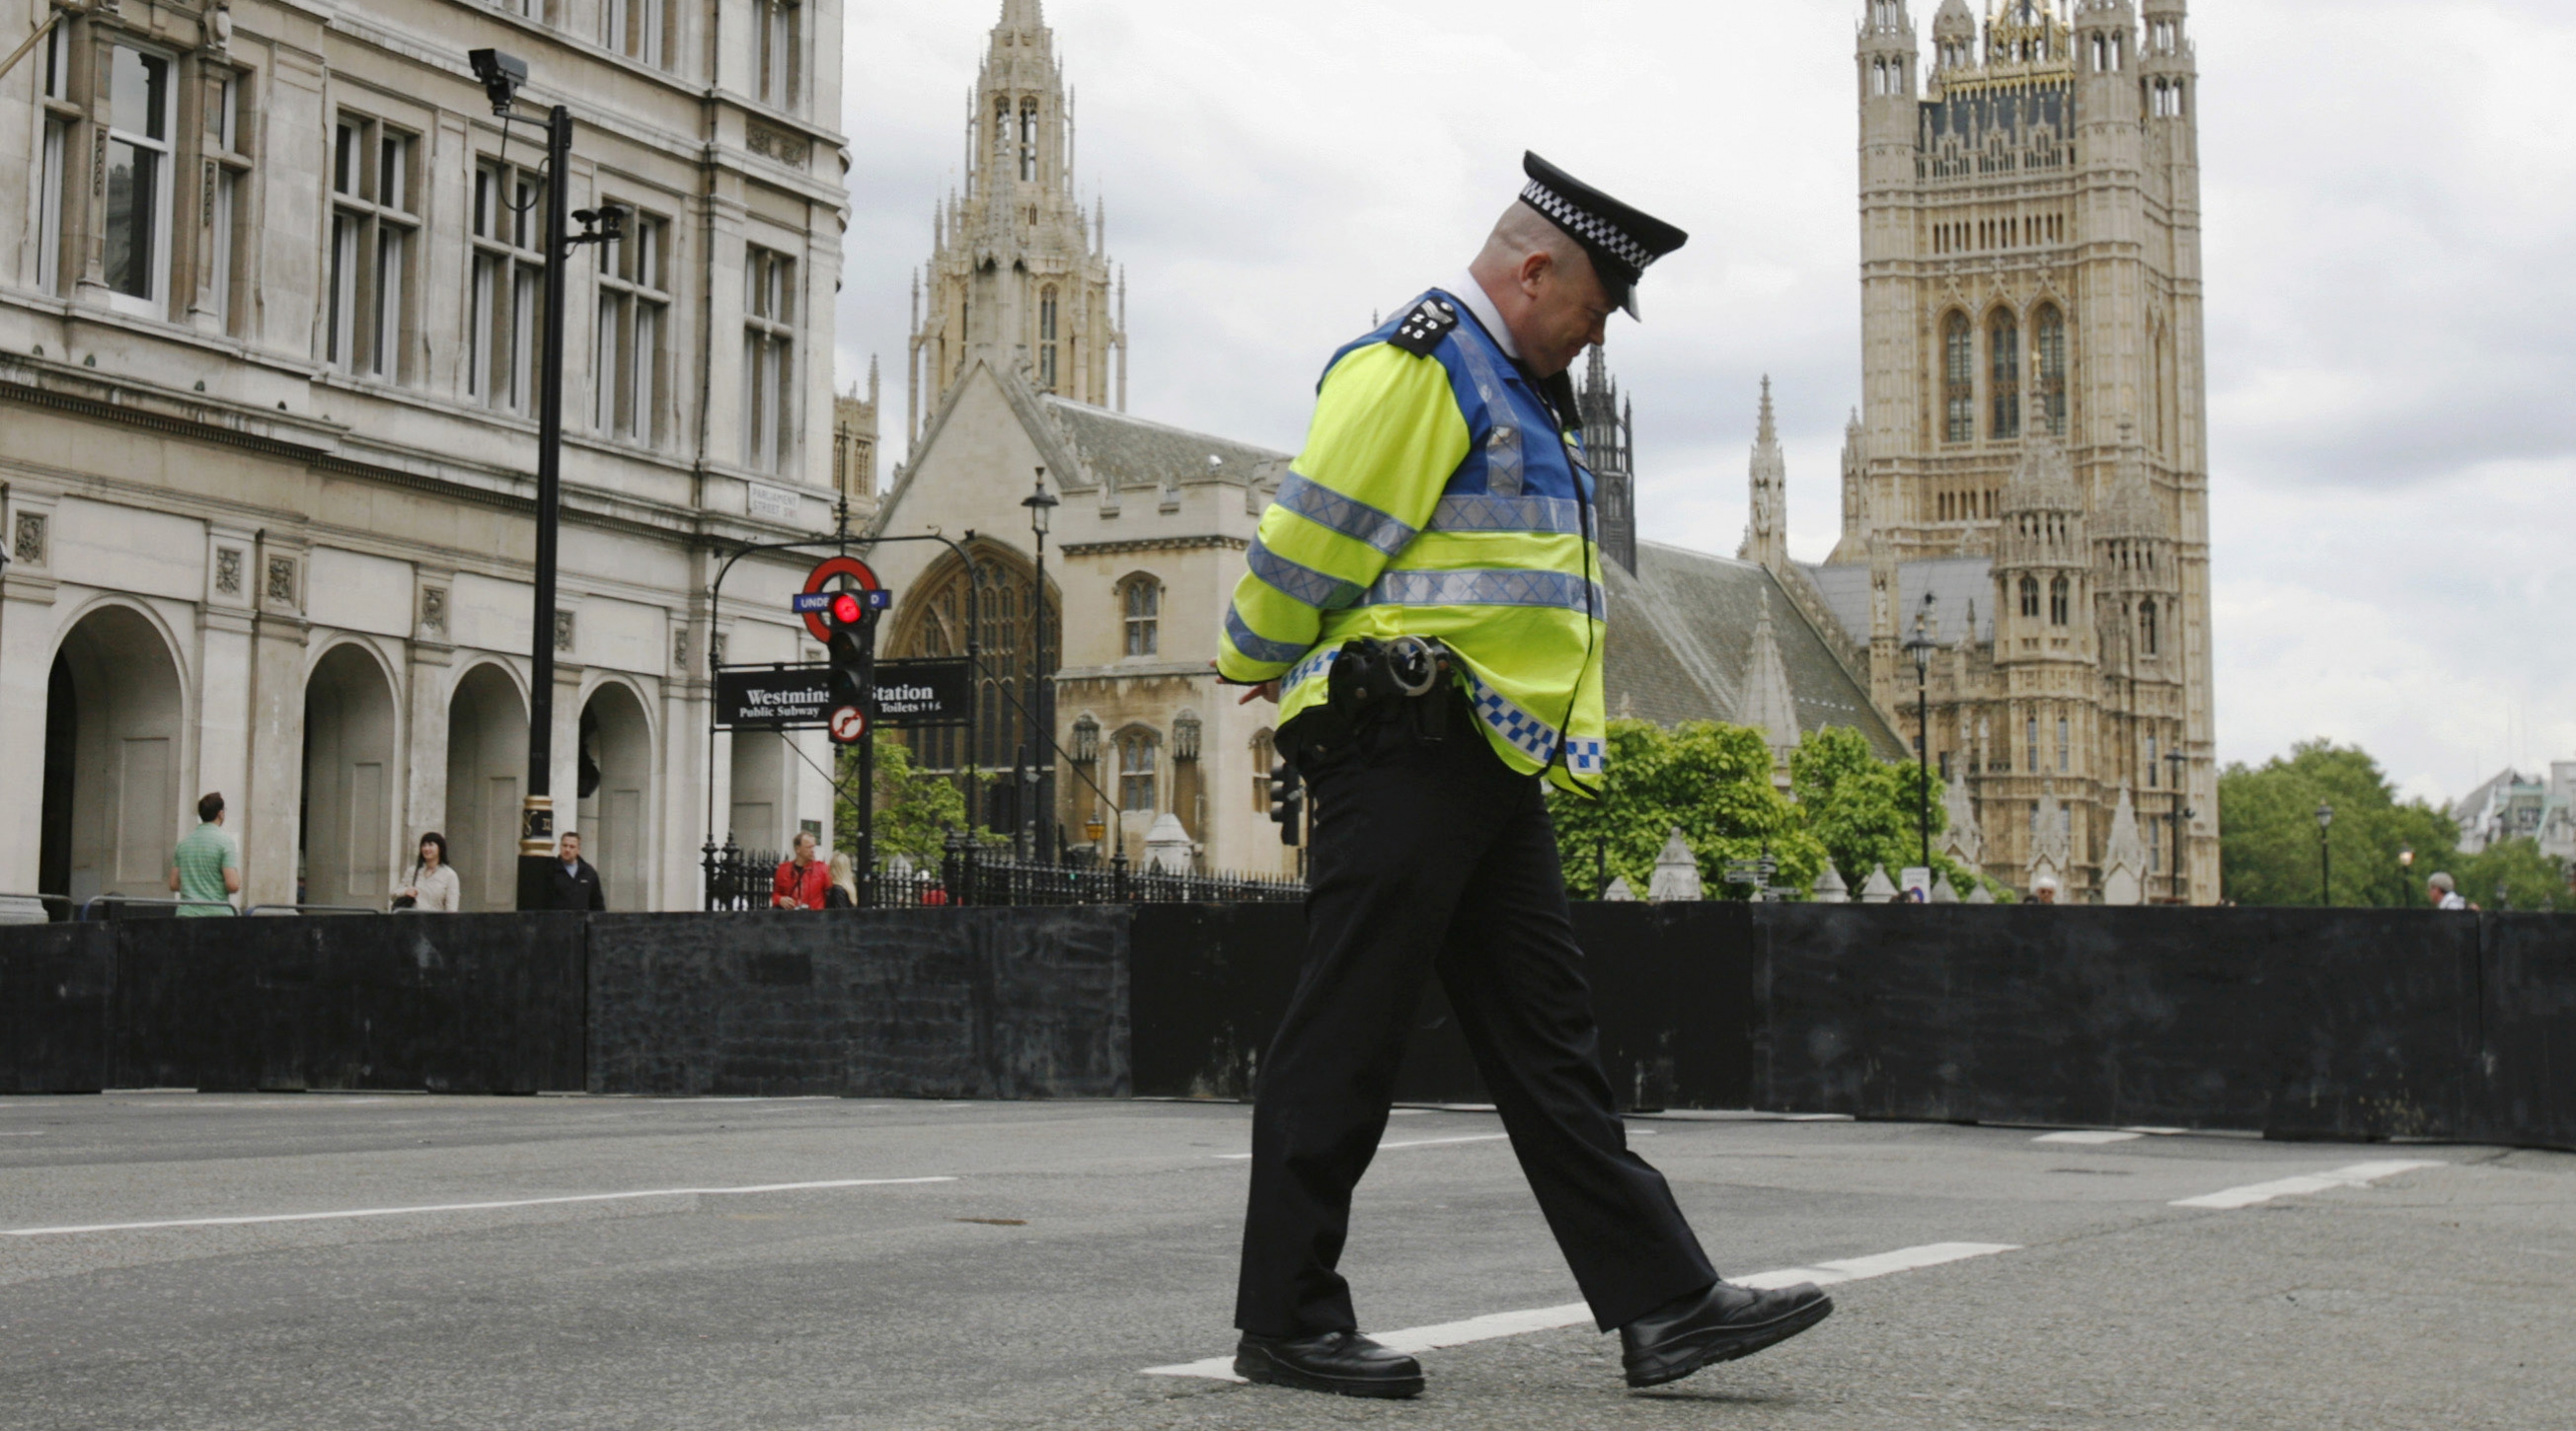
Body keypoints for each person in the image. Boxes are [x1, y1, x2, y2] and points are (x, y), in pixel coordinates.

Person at [1211, 154, 1832, 1401]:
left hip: (1487, 753)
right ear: (1534, 268)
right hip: (1404, 746)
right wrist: (1252, 651)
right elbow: (1312, 534)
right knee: (1348, 1030)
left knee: (1553, 1046)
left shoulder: (1515, 382)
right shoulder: (1421, 360)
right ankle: (1285, 1317)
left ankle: (1662, 1302)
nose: (1597, 333)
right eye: (1595, 305)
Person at [167, 792, 242, 917]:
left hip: (186, 914)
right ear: (220, 813)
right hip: (217, 915)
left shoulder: (183, 844)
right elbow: (232, 885)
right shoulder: (226, 843)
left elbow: (173, 884)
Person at [393, 833, 460, 912]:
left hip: (434, 921)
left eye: (431, 845)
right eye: (424, 845)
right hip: (411, 920)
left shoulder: (449, 875)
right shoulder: (412, 871)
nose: (426, 848)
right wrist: (406, 891)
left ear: (440, 848)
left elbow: (451, 908)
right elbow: (393, 894)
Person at [545, 831, 606, 912]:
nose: (567, 849)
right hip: (557, 922)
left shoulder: (588, 873)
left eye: (572, 847)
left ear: (578, 850)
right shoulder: (550, 871)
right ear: (560, 847)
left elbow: (597, 904)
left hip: (582, 923)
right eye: (564, 845)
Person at [772, 831, 831, 910]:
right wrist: (780, 900)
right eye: (808, 847)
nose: (812, 850)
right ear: (797, 849)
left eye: (813, 847)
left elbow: (830, 894)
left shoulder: (822, 869)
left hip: (815, 918)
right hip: (791, 918)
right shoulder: (783, 869)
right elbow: (775, 894)